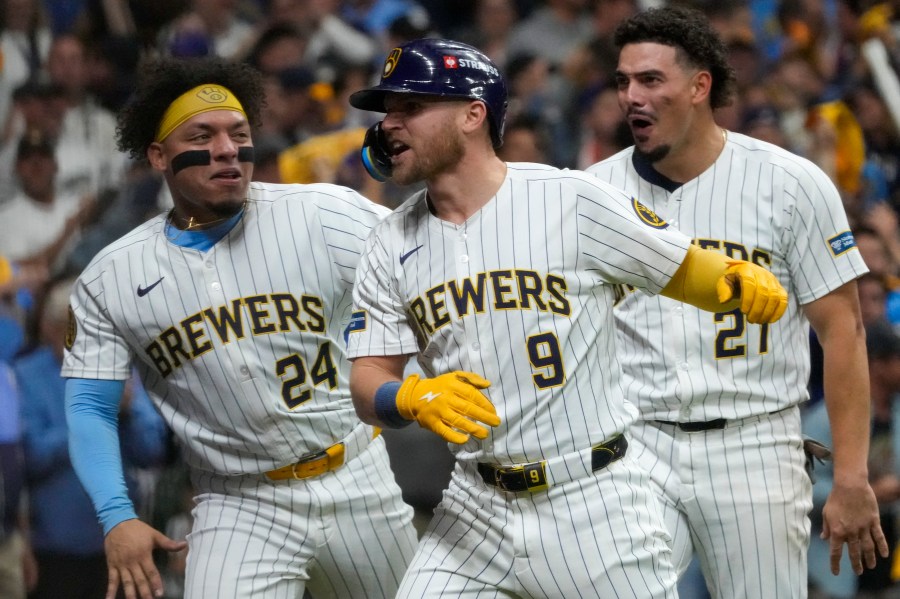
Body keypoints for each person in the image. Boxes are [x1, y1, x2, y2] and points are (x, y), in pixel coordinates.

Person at [346, 37, 788, 598]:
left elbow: (680, 267)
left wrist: (731, 280)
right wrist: (408, 397)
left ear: (472, 115)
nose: (389, 124)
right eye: (387, 111)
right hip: (472, 509)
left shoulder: (568, 199)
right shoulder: (390, 241)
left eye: (410, 107)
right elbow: (367, 382)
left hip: (592, 503)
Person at [62, 56, 417, 599]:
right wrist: (116, 514)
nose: (227, 148)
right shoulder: (110, 276)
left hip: (356, 477)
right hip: (238, 503)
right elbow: (90, 404)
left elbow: (428, 276)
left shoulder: (324, 213)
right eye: (201, 135)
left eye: (239, 133)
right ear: (158, 155)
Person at [585, 6, 886, 597]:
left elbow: (844, 331)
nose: (631, 97)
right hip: (637, 442)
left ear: (700, 86)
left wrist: (851, 475)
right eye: (622, 81)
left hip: (755, 443)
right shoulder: (593, 193)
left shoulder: (791, 183)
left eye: (650, 80)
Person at [16, 277, 169, 599]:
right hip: (55, 551)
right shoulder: (25, 376)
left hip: (123, 545)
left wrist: (127, 413)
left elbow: (153, 451)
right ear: (51, 329)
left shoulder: (121, 370)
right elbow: (30, 458)